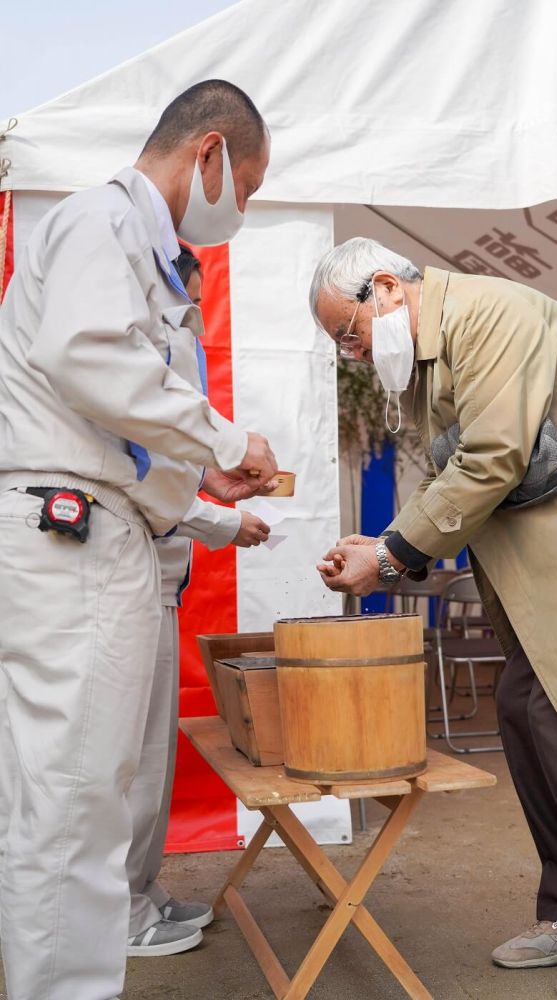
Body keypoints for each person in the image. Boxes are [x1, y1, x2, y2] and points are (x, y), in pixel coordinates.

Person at [310, 237, 557, 1000]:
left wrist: (394, 552)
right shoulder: (431, 352)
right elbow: (453, 470)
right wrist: (384, 544)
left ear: (385, 288)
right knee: (520, 707)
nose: (350, 352)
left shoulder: (488, 311)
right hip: (555, 538)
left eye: (348, 332)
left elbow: (494, 456)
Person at [0, 80, 276, 1000]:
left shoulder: (146, 256)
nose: (242, 208)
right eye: (248, 186)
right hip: (69, 535)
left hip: (100, 528)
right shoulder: (99, 222)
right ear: (208, 155)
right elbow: (89, 356)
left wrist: (213, 493)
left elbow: (119, 429)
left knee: (85, 792)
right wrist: (227, 441)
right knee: (74, 800)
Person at [125, 244, 272, 957]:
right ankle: (118, 914)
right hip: (121, 572)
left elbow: (172, 472)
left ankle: (138, 894)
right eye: (185, 302)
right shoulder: (117, 363)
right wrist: (224, 518)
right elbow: (141, 479)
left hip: (156, 578)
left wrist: (213, 487)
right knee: (123, 761)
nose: (188, 320)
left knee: (149, 755)